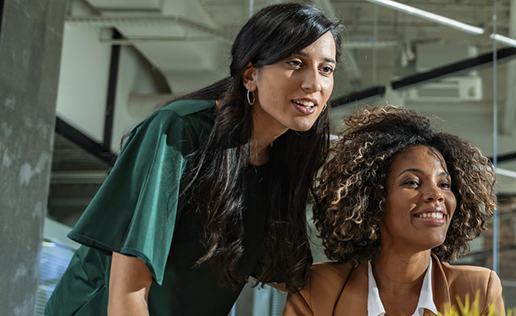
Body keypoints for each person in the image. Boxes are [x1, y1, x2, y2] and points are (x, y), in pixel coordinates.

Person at [45, 3, 340, 315]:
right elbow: (127, 291)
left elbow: (288, 276)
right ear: (251, 75)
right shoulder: (179, 131)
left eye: (326, 69)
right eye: (295, 62)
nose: (314, 84)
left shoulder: (282, 164)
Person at [285, 106, 504, 316]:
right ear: (372, 198)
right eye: (412, 182)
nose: (436, 194)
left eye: (444, 184)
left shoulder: (478, 291)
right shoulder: (317, 291)